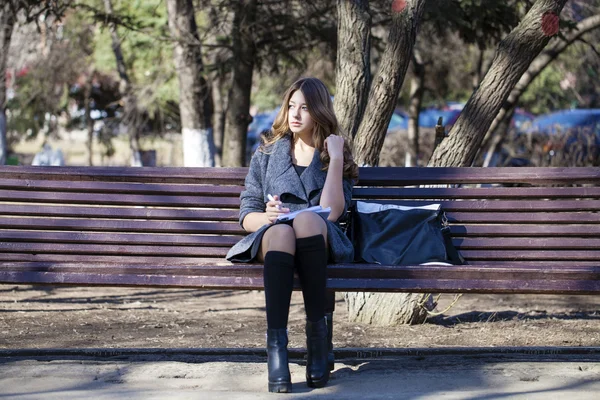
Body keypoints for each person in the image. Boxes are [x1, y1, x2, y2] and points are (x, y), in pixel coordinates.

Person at [226, 77, 358, 393]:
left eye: (305, 108)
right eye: (291, 106)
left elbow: (333, 212)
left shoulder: (334, 153)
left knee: (309, 222)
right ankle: (277, 351)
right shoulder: (268, 151)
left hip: (319, 240)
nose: (296, 114)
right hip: (273, 238)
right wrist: (266, 217)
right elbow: (247, 212)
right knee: (284, 231)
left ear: (320, 113)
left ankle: (316, 341)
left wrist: (337, 158)